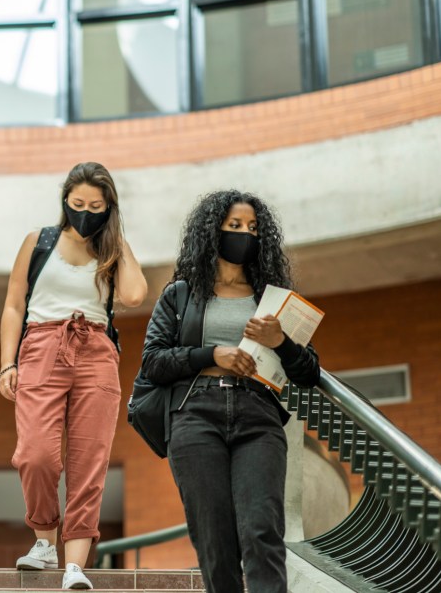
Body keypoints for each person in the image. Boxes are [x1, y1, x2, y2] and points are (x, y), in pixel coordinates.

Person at [140, 190, 321, 593]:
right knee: (215, 541)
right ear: (212, 232)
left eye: (253, 228)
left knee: (261, 530)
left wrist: (282, 341)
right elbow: (153, 361)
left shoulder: (273, 299)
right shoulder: (181, 295)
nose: (245, 234)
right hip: (194, 416)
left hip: (258, 417)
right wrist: (212, 354)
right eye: (234, 226)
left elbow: (308, 372)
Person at [0, 162, 148, 591]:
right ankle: (44, 541)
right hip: (42, 346)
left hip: (96, 349)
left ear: (108, 207)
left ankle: (75, 565)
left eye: (96, 206)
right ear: (65, 201)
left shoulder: (110, 249)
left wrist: (116, 236)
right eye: (77, 203)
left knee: (90, 460)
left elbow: (136, 295)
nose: (85, 211)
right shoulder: (39, 241)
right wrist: (8, 363)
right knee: (35, 454)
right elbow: (13, 306)